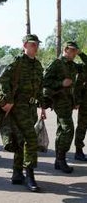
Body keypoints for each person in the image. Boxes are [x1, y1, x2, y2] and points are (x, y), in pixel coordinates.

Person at [0, 34, 46, 192]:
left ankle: (17, 174)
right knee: (31, 139)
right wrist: (10, 99)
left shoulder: (38, 65)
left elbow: (39, 87)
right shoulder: (17, 62)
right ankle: (30, 175)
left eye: (37, 44)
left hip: (31, 108)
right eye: (32, 44)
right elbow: (3, 79)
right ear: (25, 45)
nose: (36, 47)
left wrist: (42, 107)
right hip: (19, 107)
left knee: (21, 140)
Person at [43, 41, 87, 173]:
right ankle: (61, 159)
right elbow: (44, 81)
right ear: (66, 49)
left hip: (68, 101)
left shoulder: (73, 65)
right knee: (68, 129)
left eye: (75, 51)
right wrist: (61, 83)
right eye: (73, 51)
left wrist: (81, 54)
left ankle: (58, 160)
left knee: (61, 131)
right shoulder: (56, 63)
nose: (74, 54)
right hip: (59, 100)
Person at [74, 53, 87, 161]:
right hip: (85, 103)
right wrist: (77, 101)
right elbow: (78, 86)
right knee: (82, 127)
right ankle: (79, 151)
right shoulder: (84, 69)